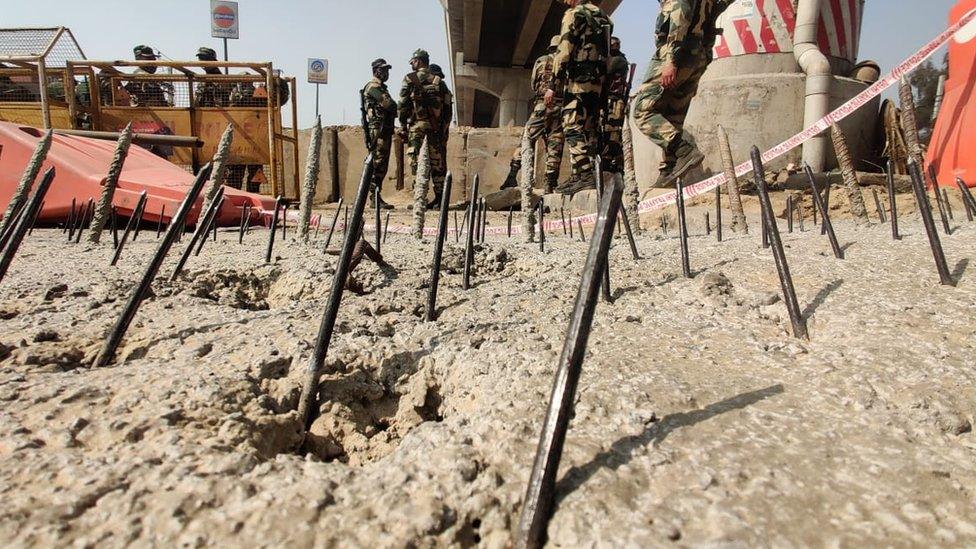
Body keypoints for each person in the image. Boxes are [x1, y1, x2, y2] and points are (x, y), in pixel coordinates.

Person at [633, 0, 735, 186]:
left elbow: (680, 17)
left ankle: (683, 150)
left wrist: (671, 60)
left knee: (642, 111)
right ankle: (670, 171)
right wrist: (702, 60)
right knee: (673, 116)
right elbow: (712, 25)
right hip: (697, 55)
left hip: (677, 55)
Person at [545, 0, 613, 196]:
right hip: (597, 81)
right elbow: (606, 53)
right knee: (588, 126)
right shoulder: (603, 16)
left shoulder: (574, 14)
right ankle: (578, 176)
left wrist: (553, 85)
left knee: (571, 125)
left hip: (579, 80)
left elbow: (563, 51)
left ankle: (584, 174)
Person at [501, 35, 565, 193]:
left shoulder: (541, 61)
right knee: (555, 144)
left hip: (542, 104)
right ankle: (550, 184)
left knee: (527, 139)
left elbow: (533, 83)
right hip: (560, 106)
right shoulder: (565, 62)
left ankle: (512, 176)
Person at [398, 49, 451, 208]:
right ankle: (440, 200)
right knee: (437, 163)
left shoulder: (410, 79)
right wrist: (443, 130)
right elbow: (448, 110)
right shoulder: (439, 82)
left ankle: (420, 199)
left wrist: (403, 125)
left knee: (416, 162)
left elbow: (402, 105)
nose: (411, 64)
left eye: (413, 61)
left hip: (417, 128)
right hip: (435, 129)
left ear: (419, 61)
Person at [361, 58, 398, 210]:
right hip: (378, 131)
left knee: (381, 164)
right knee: (377, 163)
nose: (386, 73)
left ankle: (376, 196)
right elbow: (389, 104)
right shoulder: (373, 87)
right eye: (384, 70)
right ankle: (373, 197)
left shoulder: (381, 87)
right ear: (376, 71)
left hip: (384, 129)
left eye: (387, 70)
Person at [601, 36, 630, 175]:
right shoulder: (614, 58)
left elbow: (606, 71)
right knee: (606, 133)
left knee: (613, 134)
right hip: (609, 100)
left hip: (615, 101)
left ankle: (612, 164)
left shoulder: (618, 60)